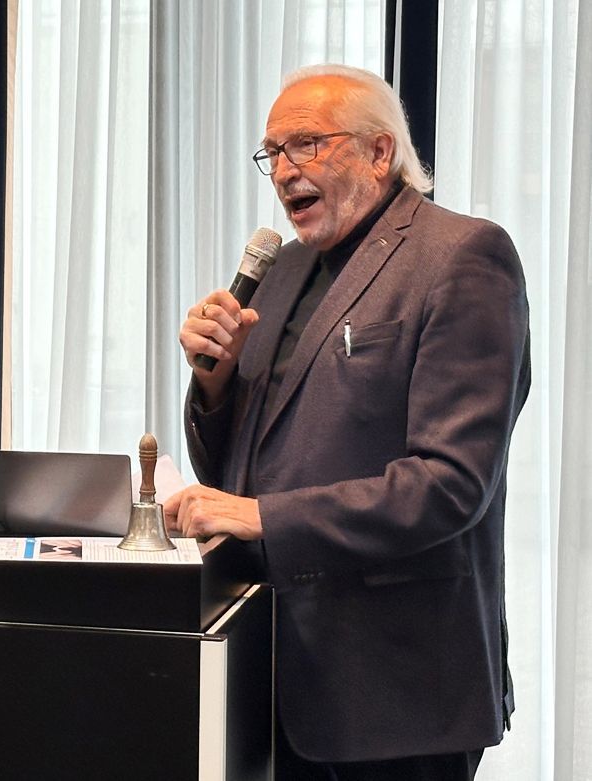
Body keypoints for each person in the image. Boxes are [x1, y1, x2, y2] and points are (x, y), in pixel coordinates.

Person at [164, 64, 530, 779]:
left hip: (397, 687)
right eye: (272, 152)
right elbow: (237, 471)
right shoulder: (281, 270)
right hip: (272, 669)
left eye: (306, 144)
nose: (283, 171)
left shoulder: (462, 256)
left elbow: (450, 483)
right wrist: (213, 382)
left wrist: (262, 515)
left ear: (378, 152)